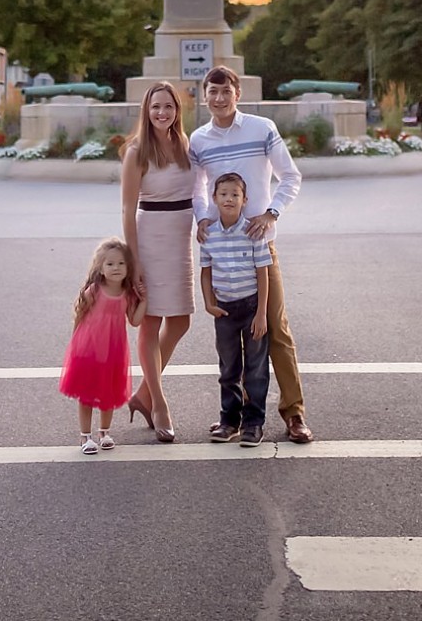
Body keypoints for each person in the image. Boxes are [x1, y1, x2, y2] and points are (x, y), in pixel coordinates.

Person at [189, 65, 313, 443]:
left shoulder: (262, 129)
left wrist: (271, 212)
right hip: (223, 251)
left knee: (275, 330)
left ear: (237, 94)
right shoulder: (198, 140)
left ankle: (293, 414)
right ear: (204, 95)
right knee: (230, 342)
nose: (219, 98)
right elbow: (196, 189)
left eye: (226, 91)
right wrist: (204, 220)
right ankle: (238, 417)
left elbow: (290, 176)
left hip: (260, 247)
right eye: (212, 91)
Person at [120, 81, 195, 443]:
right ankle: (160, 403)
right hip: (150, 239)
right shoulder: (136, 152)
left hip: (180, 242)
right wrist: (134, 261)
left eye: (168, 106)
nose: (162, 113)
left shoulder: (185, 145)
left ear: (177, 110)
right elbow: (127, 209)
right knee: (149, 323)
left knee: (180, 321)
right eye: (155, 108)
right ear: (146, 112)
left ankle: (143, 394)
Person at [198, 172, 272, 446]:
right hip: (225, 311)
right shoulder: (209, 235)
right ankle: (229, 421)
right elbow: (205, 272)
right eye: (223, 194)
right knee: (228, 367)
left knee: (255, 368)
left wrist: (262, 313)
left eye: (235, 194)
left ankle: (254, 423)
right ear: (215, 199)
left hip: (252, 307)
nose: (229, 199)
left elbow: (263, 273)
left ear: (244, 200)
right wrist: (209, 302)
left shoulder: (253, 231)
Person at [58, 238, 142, 454]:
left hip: (114, 350)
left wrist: (145, 300)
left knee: (108, 394)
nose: (116, 268)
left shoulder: (127, 293)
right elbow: (81, 316)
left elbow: (135, 320)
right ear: (101, 268)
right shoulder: (95, 290)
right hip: (89, 349)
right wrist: (76, 344)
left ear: (128, 267)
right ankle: (85, 436)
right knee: (86, 394)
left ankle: (104, 432)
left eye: (121, 263)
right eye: (110, 264)